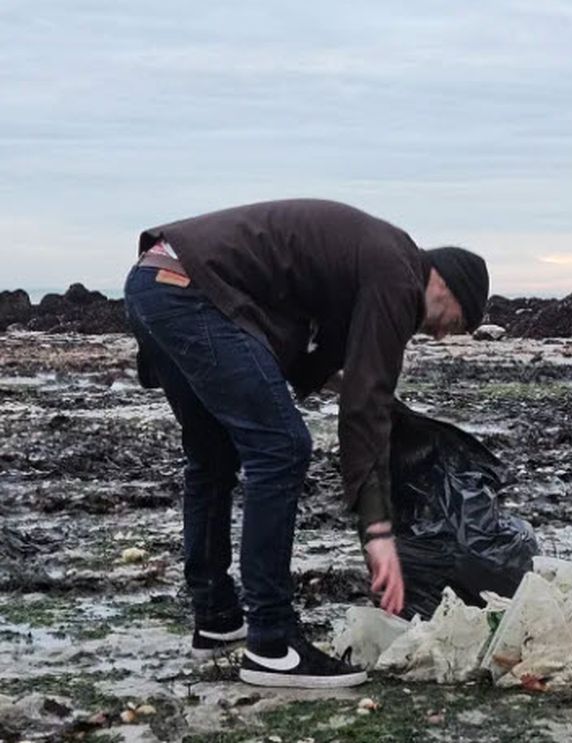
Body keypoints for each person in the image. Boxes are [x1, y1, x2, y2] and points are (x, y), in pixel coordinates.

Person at [123, 199, 489, 688]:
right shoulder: (401, 274)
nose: (444, 335)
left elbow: (331, 368)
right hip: (193, 291)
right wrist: (378, 533)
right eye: (457, 322)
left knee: (212, 456)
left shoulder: (373, 258)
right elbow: (365, 403)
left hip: (155, 281)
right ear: (446, 282)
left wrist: (377, 405)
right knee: (282, 448)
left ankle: (216, 615)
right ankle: (272, 642)